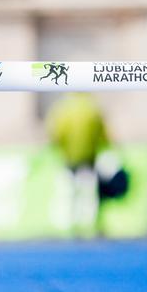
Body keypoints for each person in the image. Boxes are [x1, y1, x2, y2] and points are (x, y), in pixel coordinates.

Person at [47, 93, 110, 237]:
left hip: (69, 160)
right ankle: (90, 229)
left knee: (70, 196)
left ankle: (70, 230)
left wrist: (63, 149)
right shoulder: (93, 109)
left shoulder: (63, 109)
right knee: (88, 197)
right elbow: (103, 134)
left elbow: (56, 134)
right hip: (88, 160)